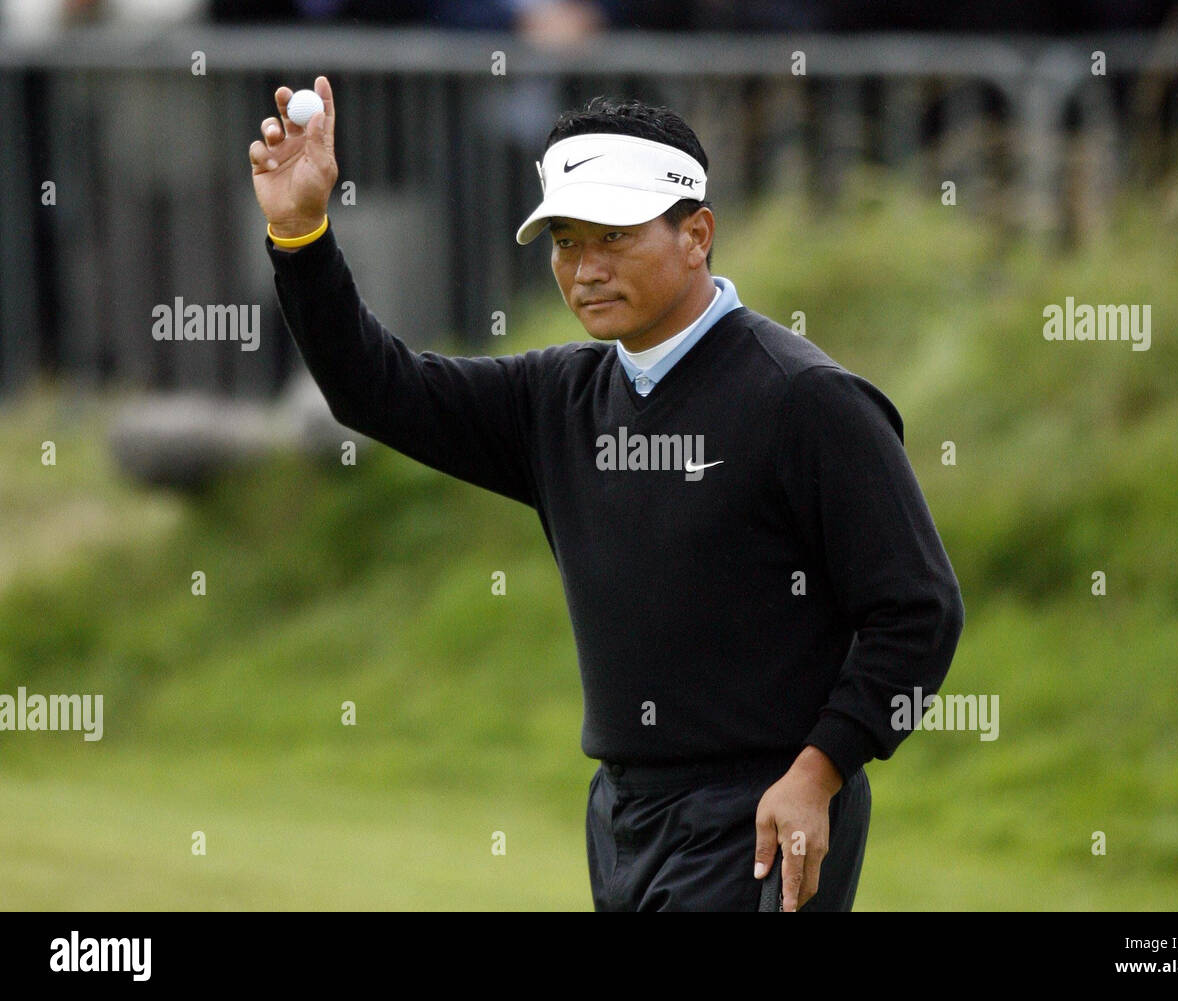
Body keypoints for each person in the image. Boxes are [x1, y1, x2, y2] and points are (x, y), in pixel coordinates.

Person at [249, 76, 964, 911]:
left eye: (614, 238)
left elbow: (918, 608)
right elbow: (375, 390)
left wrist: (821, 769)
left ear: (696, 234)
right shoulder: (556, 396)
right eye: (564, 241)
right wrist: (301, 234)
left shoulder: (806, 400)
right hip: (622, 813)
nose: (584, 269)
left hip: (764, 809)